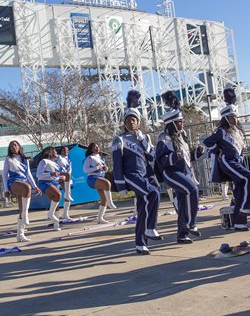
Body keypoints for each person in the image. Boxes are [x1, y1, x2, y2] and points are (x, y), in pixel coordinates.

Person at [112, 90, 162, 255]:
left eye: (134, 119)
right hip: (131, 175)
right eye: (128, 120)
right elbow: (117, 162)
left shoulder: (144, 138)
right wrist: (120, 185)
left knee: (142, 209)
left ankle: (141, 243)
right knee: (153, 194)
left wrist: (143, 141)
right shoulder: (119, 139)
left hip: (144, 175)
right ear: (125, 122)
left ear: (138, 122)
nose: (131, 122)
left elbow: (151, 157)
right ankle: (150, 227)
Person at [203, 88, 250, 231]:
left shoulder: (239, 131)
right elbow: (207, 142)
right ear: (226, 118)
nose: (235, 119)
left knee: (239, 190)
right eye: (232, 117)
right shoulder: (221, 131)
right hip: (228, 162)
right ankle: (246, 207)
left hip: (237, 162)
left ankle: (240, 222)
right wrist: (218, 150)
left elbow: (240, 150)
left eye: (236, 117)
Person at [156, 90, 205, 244]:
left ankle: (182, 235)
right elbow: (160, 160)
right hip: (171, 173)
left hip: (184, 172)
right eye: (179, 122)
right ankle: (191, 223)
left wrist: (197, 152)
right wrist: (172, 157)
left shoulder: (181, 137)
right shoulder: (163, 138)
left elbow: (187, 158)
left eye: (182, 121)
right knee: (193, 190)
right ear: (171, 123)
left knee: (184, 203)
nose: (182, 124)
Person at [2, 140, 41, 242]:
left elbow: (28, 174)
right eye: (11, 146)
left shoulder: (24, 159)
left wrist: (35, 186)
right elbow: (4, 175)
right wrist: (6, 189)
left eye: (15, 145)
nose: (13, 147)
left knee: (22, 208)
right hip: (13, 182)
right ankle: (25, 215)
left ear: (19, 146)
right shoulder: (8, 159)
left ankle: (20, 235)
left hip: (23, 182)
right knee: (27, 188)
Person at [83, 142, 117, 224]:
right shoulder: (89, 158)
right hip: (92, 178)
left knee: (103, 199)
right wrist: (97, 167)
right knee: (107, 183)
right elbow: (85, 170)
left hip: (100, 177)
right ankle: (110, 202)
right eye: (95, 147)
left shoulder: (100, 157)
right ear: (91, 149)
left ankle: (100, 218)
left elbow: (104, 168)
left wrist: (105, 168)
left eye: (98, 146)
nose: (97, 148)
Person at [37, 146, 65, 231]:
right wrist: (52, 174)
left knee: (55, 204)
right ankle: (50, 214)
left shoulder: (55, 163)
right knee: (58, 195)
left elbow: (55, 175)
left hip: (54, 182)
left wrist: (60, 177)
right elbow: (39, 175)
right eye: (55, 151)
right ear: (50, 152)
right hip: (45, 183)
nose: (57, 152)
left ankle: (56, 225)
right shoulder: (43, 161)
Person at [57, 146, 75, 220]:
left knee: (68, 194)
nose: (65, 151)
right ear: (61, 151)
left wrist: (67, 175)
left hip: (67, 177)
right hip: (60, 176)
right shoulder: (58, 157)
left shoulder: (69, 160)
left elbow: (70, 170)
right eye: (64, 150)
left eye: (67, 150)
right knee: (66, 193)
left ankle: (65, 213)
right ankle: (63, 213)